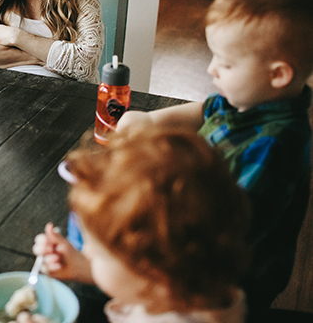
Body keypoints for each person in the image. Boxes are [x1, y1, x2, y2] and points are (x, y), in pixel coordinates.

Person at [61, 0, 313, 322]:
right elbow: (191, 113)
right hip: (195, 231)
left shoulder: (278, 145)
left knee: (97, 282)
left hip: (224, 281)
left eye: (225, 63)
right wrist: (142, 123)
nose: (212, 69)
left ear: (278, 74)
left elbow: (226, 229)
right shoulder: (241, 101)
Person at [34, 129, 251, 323]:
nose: (87, 251)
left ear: (154, 272)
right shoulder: (197, 288)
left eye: (99, 252)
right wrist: (84, 267)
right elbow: (144, 286)